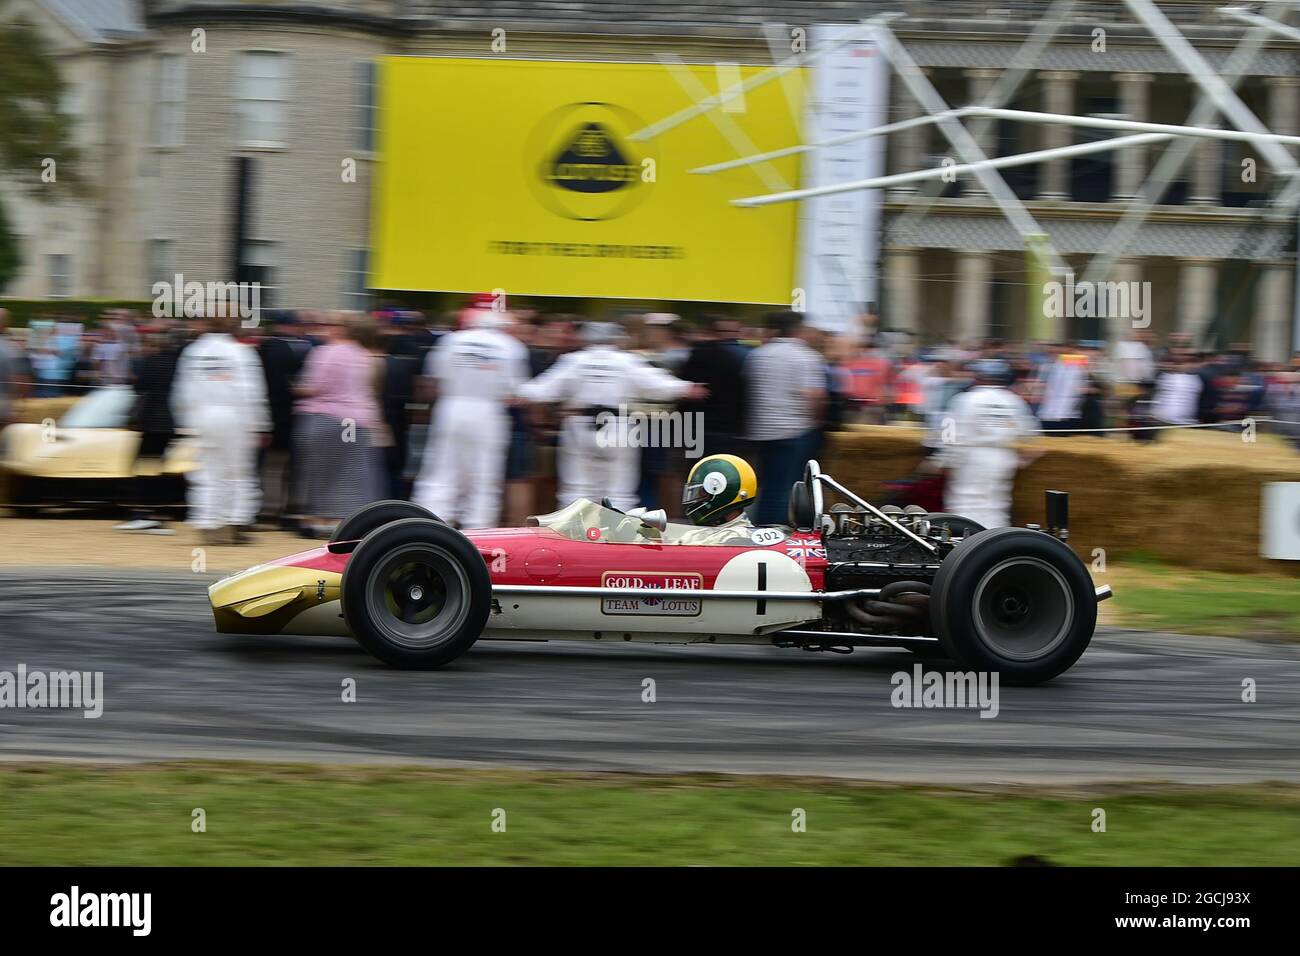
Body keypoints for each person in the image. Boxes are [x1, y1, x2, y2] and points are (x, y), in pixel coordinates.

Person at [518, 321, 701, 511]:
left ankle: (574, 532)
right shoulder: (626, 361)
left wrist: (521, 393)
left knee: (577, 486)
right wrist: (686, 388)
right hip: (618, 427)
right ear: (615, 338)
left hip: (579, 426)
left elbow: (546, 387)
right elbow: (655, 383)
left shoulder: (574, 360)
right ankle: (617, 532)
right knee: (619, 489)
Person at [412, 307, 529, 528]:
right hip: (488, 412)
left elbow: (432, 380)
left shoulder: (452, 341)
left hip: (451, 408)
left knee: (440, 471)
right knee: (483, 477)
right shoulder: (511, 346)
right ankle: (477, 531)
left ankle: (427, 525)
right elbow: (516, 391)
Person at [171, 307, 270, 545]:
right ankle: (235, 524)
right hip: (234, 417)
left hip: (202, 416)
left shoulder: (193, 352)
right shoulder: (240, 352)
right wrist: (260, 424)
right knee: (238, 472)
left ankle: (207, 524)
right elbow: (251, 392)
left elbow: (182, 392)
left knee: (206, 472)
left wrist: (186, 425)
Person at [293, 313, 386, 537]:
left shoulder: (324, 352)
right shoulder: (368, 357)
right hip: (355, 421)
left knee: (321, 470)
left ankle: (315, 521)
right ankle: (347, 523)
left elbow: (315, 387)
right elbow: (371, 391)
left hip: (326, 418)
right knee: (351, 472)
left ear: (342, 330)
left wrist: (296, 389)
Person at [745, 311, 826, 525]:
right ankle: (774, 529)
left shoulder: (757, 355)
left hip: (761, 430)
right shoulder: (805, 356)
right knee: (785, 486)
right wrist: (816, 420)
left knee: (767, 484)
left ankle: (761, 523)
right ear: (798, 330)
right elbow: (815, 395)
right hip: (794, 430)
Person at [938, 359, 1040, 529]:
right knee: (998, 505)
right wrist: (1020, 461)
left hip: (972, 458)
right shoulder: (1015, 402)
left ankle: (964, 544)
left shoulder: (965, 399)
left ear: (979, 377)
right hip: (1004, 458)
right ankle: (994, 542)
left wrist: (945, 461)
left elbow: (951, 434)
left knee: (965, 502)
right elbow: (1033, 440)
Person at [671, 453, 760, 544]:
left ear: (719, 491)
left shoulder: (738, 538)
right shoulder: (696, 535)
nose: (697, 500)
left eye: (701, 493)